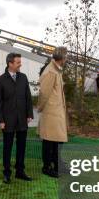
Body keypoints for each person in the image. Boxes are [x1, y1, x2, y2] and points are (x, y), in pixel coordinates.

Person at [0, 53, 34, 184]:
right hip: (7, 120)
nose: (20, 64)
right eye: (18, 62)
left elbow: (28, 97)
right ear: (10, 63)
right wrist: (0, 120)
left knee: (22, 146)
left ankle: (20, 171)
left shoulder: (23, 77)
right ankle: (7, 173)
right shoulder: (0, 80)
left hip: (22, 118)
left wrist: (29, 114)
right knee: (7, 147)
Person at [37, 46, 68, 178]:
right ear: (61, 58)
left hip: (56, 112)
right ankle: (47, 167)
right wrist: (40, 107)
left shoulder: (56, 70)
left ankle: (56, 164)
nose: (66, 59)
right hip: (51, 112)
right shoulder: (51, 71)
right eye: (66, 56)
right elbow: (44, 92)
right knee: (49, 141)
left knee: (55, 141)